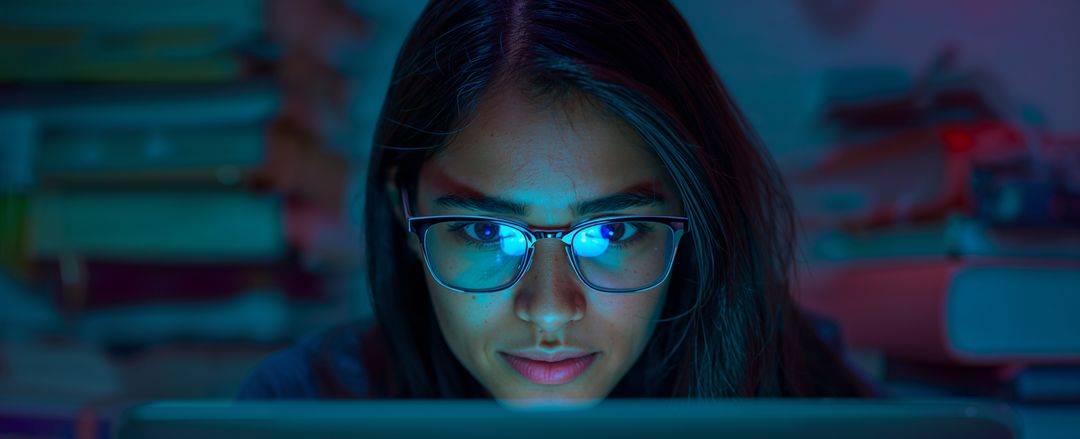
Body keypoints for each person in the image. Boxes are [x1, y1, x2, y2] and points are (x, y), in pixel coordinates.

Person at [238, 0, 869, 403]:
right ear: (406, 213)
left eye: (612, 233)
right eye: (485, 233)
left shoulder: (803, 408)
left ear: (694, 221)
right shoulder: (299, 415)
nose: (548, 312)